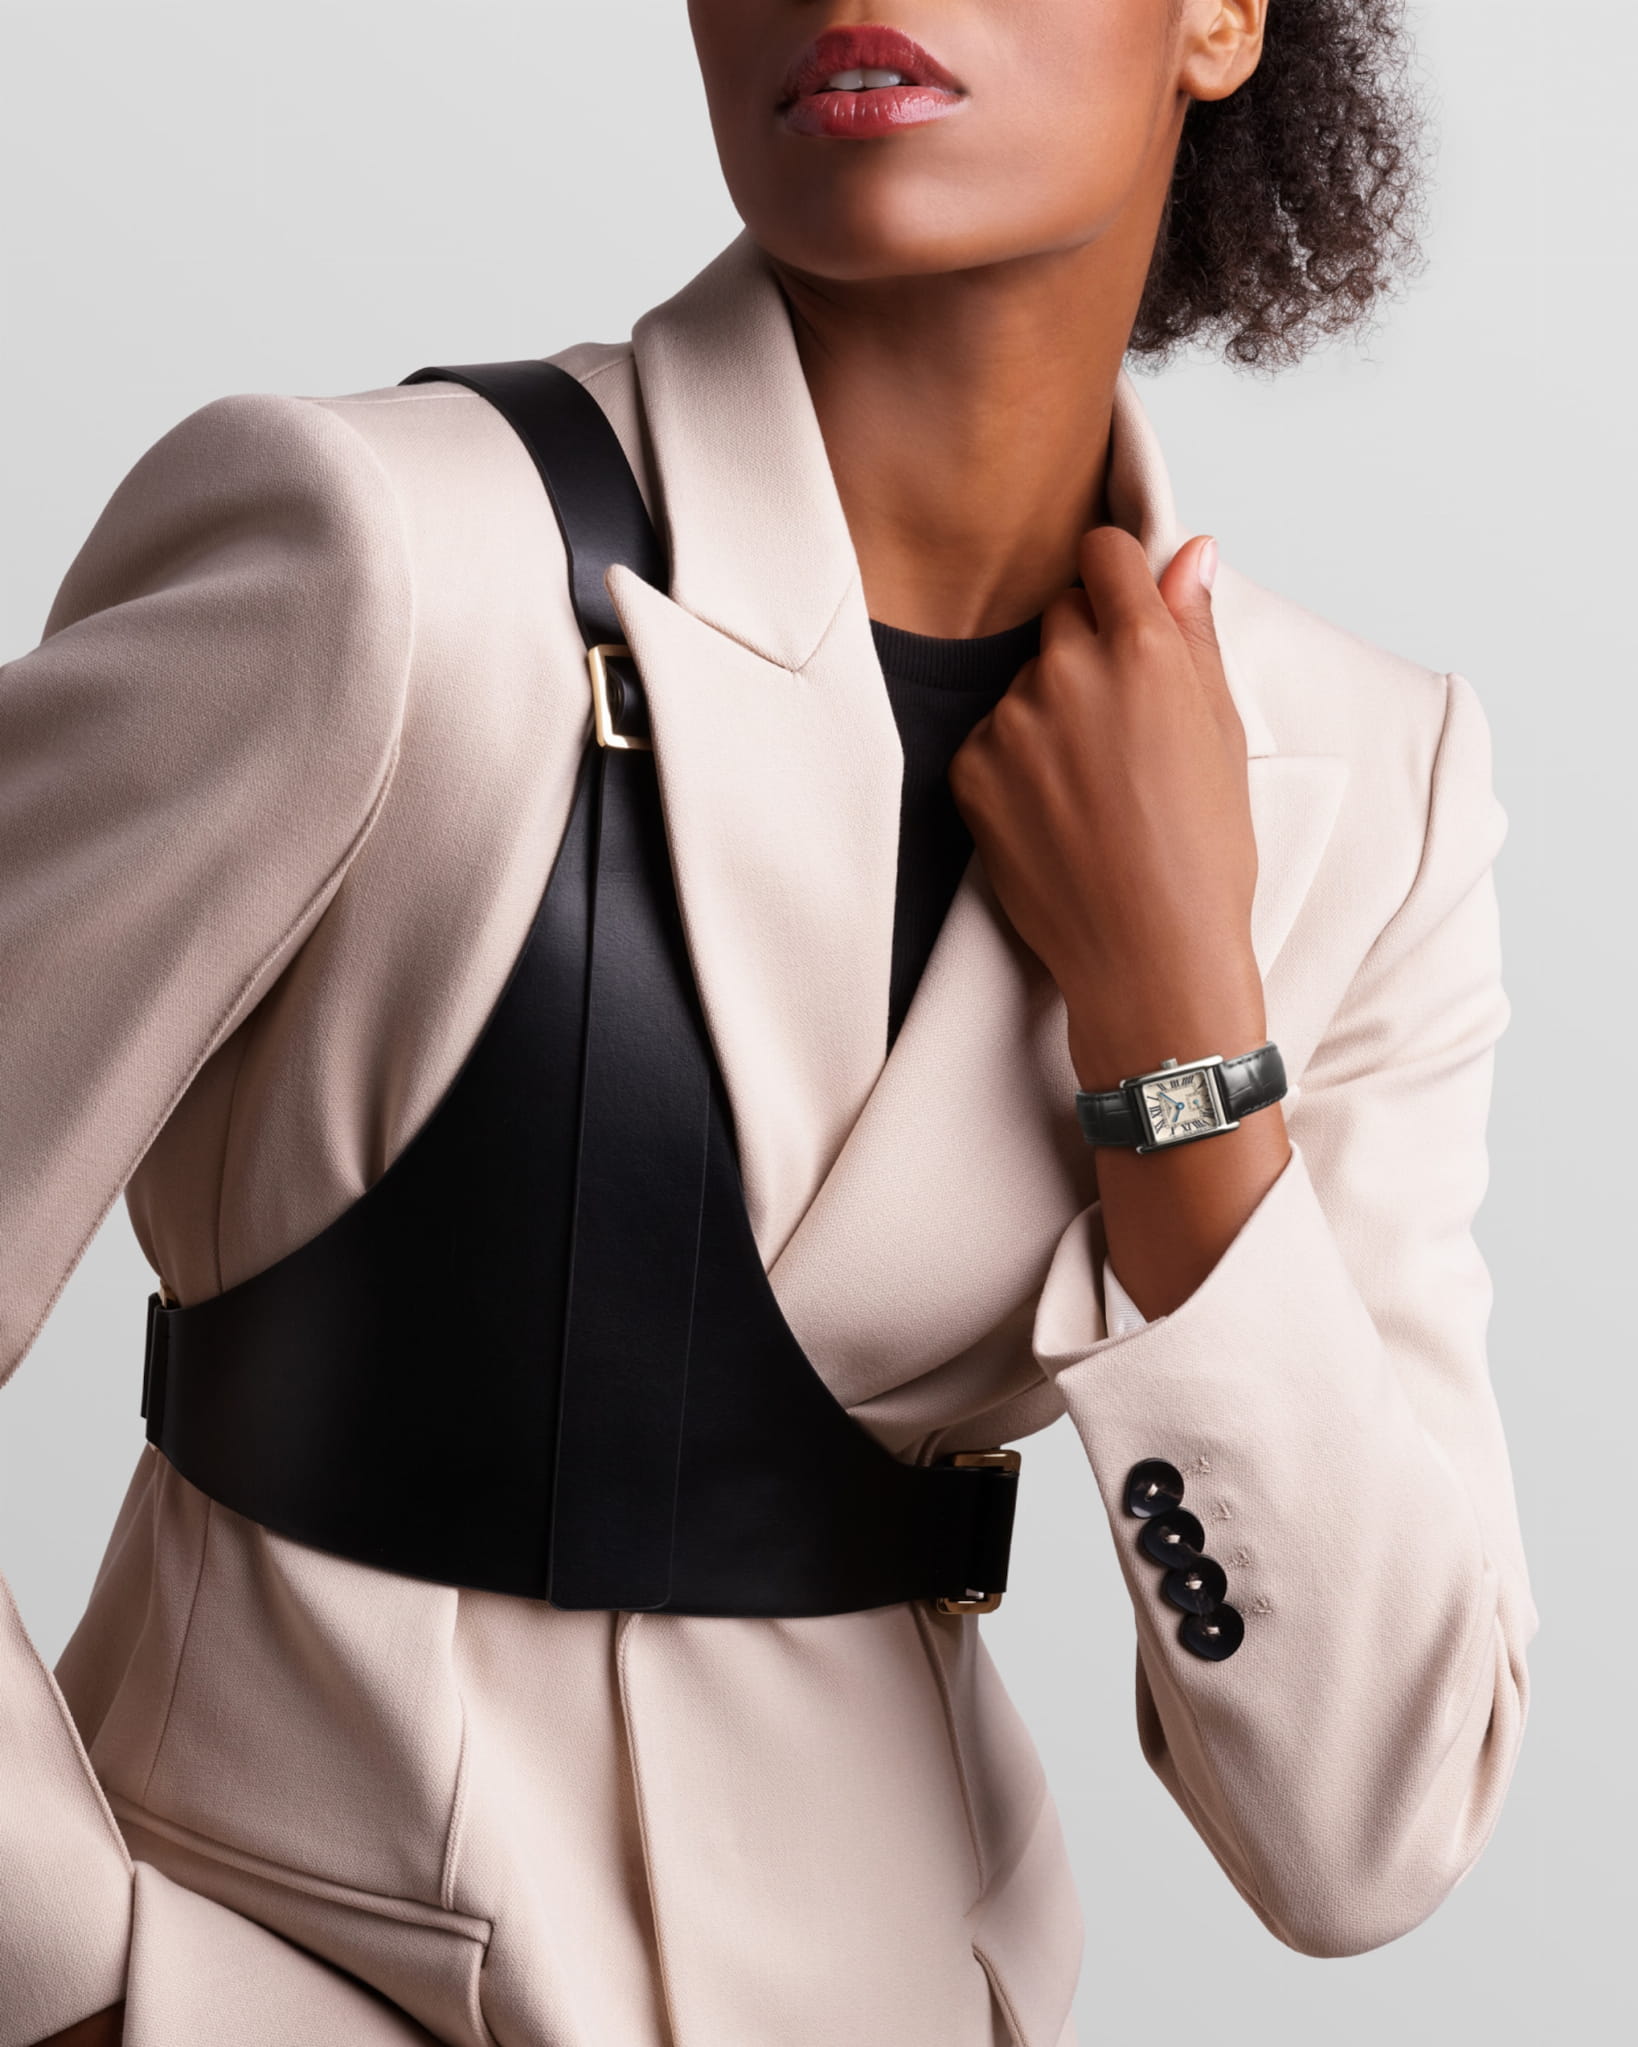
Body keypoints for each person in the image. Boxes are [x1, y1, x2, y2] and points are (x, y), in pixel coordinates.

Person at [2, 3, 1536, 2044]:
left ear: (1220, 18)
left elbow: (1365, 1833)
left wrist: (1178, 1030)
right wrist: (86, 1983)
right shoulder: (386, 556)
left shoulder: (1368, 785)